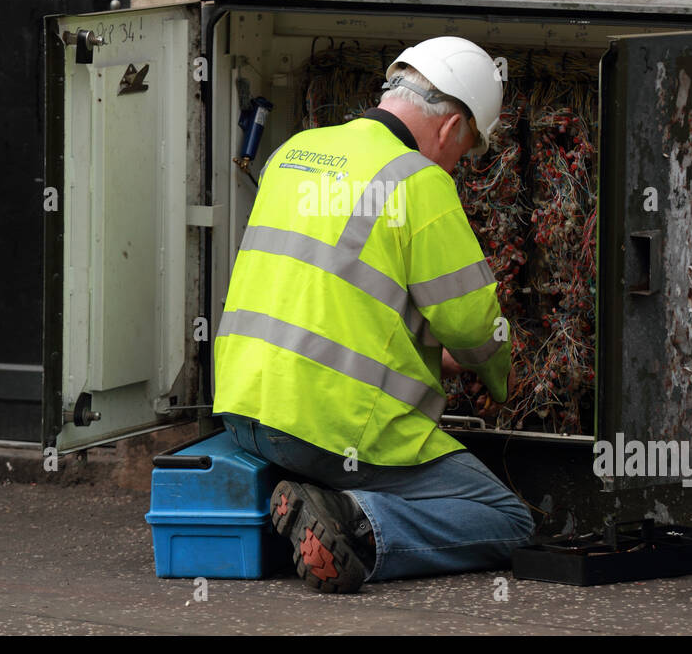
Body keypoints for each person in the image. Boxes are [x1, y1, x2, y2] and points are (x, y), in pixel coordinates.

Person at [213, 36, 534, 593]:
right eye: (470, 148)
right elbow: (471, 325)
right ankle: (351, 520)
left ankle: (314, 506)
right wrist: (498, 376)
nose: (461, 162)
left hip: (244, 413)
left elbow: (333, 287)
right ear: (452, 126)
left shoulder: (293, 152)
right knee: (510, 520)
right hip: (330, 433)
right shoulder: (419, 181)